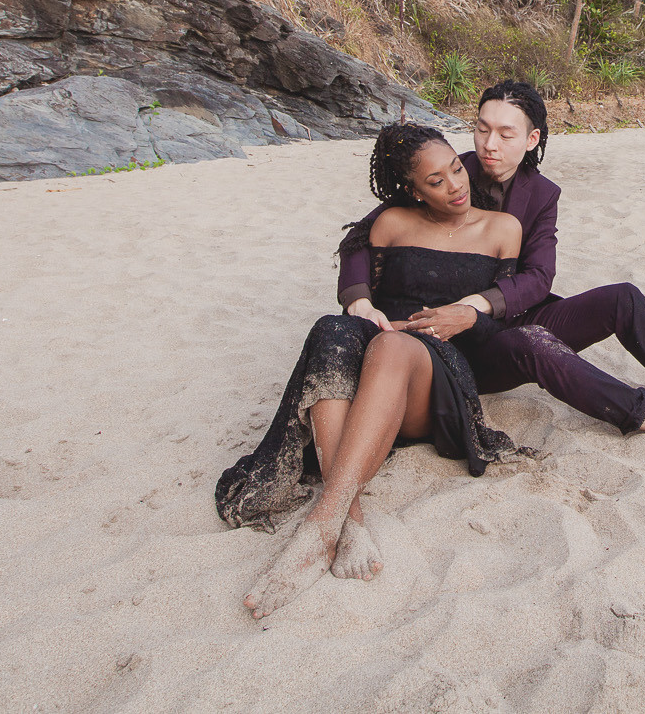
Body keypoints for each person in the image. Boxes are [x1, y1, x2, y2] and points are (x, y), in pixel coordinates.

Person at [339, 80, 645, 449]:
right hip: (449, 340)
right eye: (482, 128)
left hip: (505, 311)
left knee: (622, 298)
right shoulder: (446, 171)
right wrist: (358, 299)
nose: (489, 145)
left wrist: (481, 303)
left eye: (506, 134)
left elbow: (540, 276)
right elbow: (365, 235)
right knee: (533, 340)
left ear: (532, 139)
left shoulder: (542, 195)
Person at [217, 124, 536, 622]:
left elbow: (499, 320)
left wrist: (446, 321)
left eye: (456, 168)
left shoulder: (503, 229)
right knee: (333, 328)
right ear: (413, 189)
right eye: (436, 181)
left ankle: (320, 524)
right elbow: (353, 263)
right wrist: (361, 304)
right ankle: (349, 520)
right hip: (372, 370)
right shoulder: (389, 222)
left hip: (436, 377)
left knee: (392, 344)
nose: (455, 185)